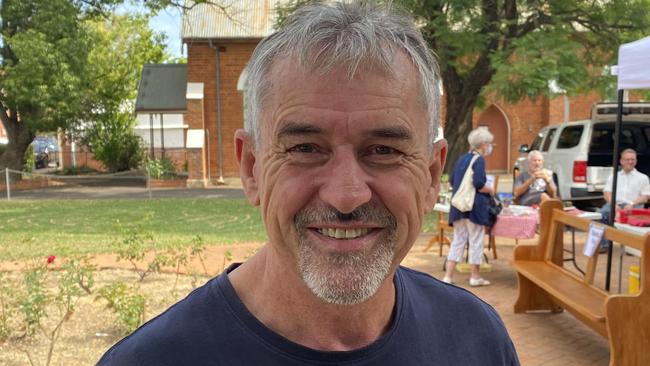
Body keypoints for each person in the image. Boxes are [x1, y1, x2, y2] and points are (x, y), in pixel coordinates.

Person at [97, 2, 519, 365]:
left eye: (384, 150)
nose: (346, 195)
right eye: (305, 148)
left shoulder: (477, 341)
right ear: (252, 169)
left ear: (430, 175)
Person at [443, 128, 496, 287]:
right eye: (489, 143)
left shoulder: (462, 159)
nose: (489, 147)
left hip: (459, 207)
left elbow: (453, 181)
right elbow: (479, 183)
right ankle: (475, 276)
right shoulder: (479, 160)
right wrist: (491, 190)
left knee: (458, 241)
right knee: (476, 241)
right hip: (474, 208)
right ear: (483, 144)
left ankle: (448, 276)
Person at [598, 148, 650, 252]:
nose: (630, 162)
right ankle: (605, 245)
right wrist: (613, 204)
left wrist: (632, 204)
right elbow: (607, 193)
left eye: (633, 159)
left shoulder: (643, 177)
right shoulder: (614, 176)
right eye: (627, 159)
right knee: (603, 213)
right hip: (616, 204)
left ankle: (630, 247)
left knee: (633, 218)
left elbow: (646, 196)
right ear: (621, 161)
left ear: (636, 161)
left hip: (634, 205)